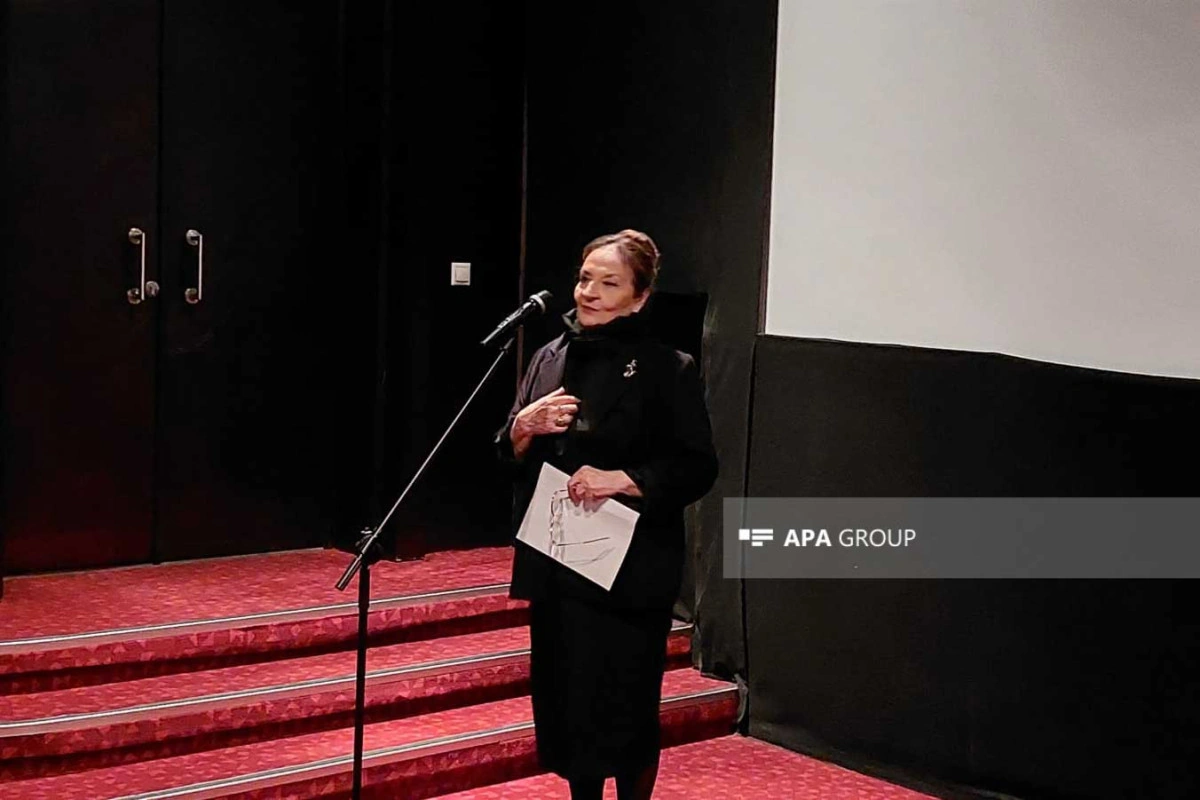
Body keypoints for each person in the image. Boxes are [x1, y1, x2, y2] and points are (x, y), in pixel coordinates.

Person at [494, 229, 718, 800]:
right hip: (557, 563)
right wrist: (522, 428)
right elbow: (508, 453)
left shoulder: (668, 368)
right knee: (569, 710)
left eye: (609, 283)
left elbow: (696, 467)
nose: (589, 292)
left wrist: (620, 479)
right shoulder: (549, 356)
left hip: (628, 572)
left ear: (639, 297)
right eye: (584, 278)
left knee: (624, 710)